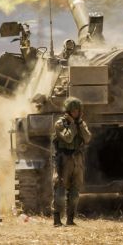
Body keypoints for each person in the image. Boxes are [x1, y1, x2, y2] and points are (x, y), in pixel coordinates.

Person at [51, 96, 91, 226]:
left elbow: (87, 138)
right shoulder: (60, 124)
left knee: (75, 192)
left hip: (77, 160)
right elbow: (68, 138)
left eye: (78, 111)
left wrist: (78, 124)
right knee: (60, 191)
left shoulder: (80, 123)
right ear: (68, 111)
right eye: (73, 111)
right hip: (64, 160)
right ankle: (57, 219)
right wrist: (73, 125)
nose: (76, 113)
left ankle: (70, 219)